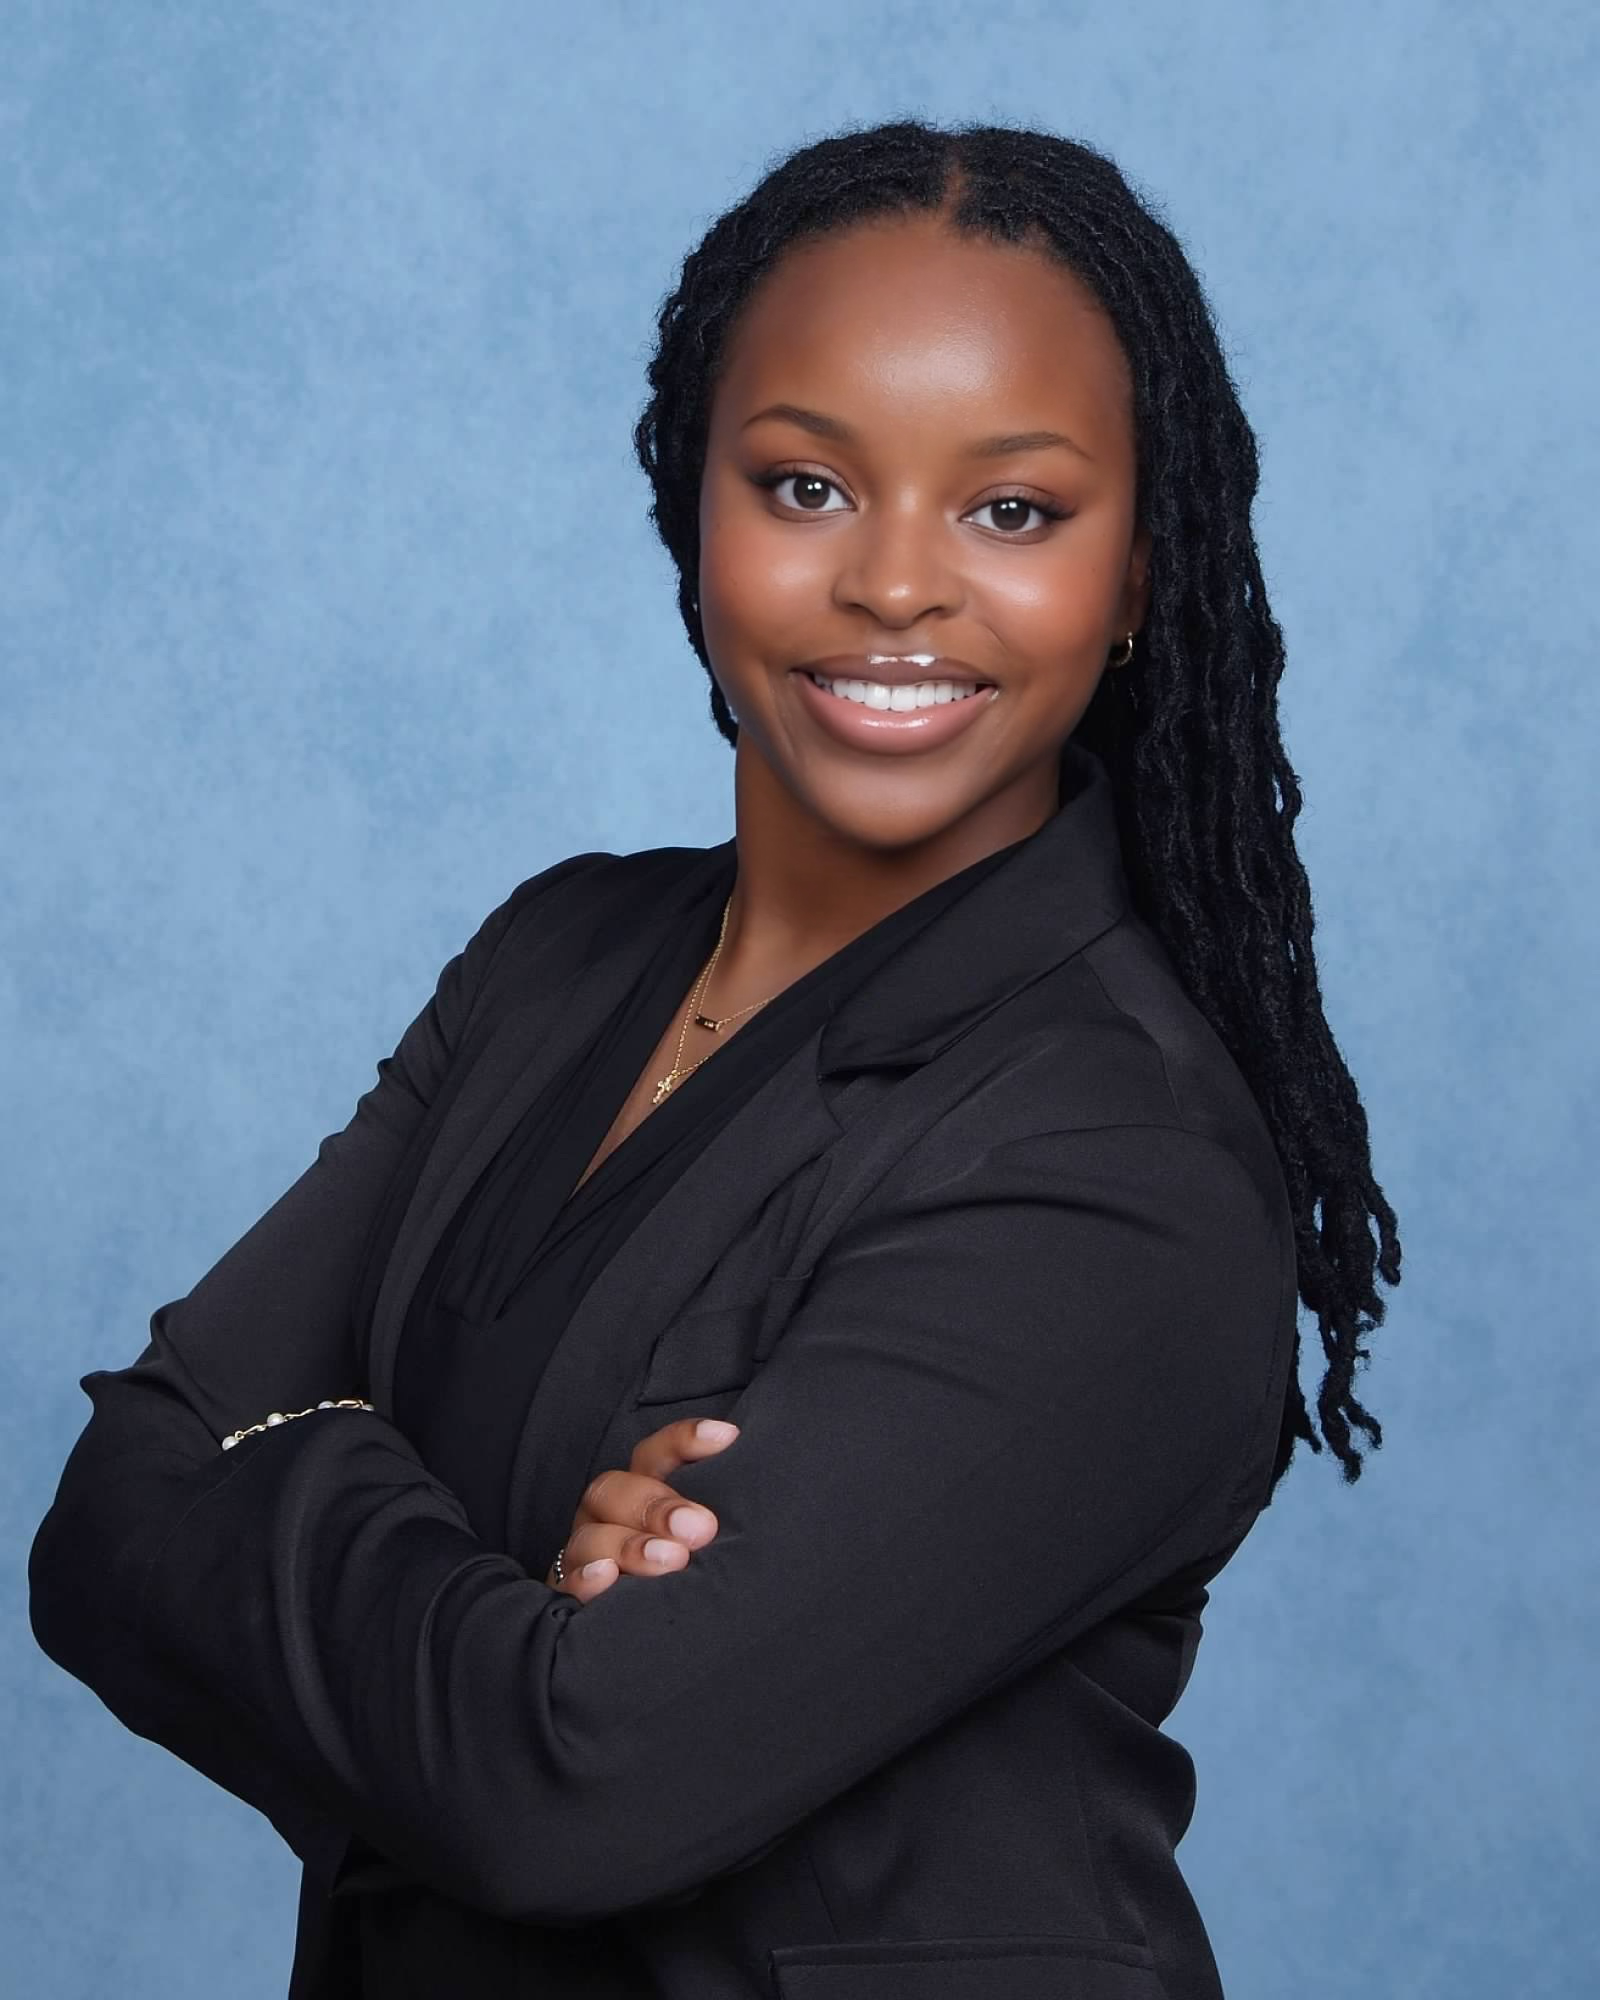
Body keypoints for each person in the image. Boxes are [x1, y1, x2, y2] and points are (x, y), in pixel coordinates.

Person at [28, 118, 1402, 1999]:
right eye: (807, 486)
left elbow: (565, 1786)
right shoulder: (557, 954)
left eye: (1014, 510)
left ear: (1142, 575)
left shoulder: (1118, 1160)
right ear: (695, 512)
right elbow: (106, 1512)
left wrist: (300, 1461)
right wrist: (514, 1594)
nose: (898, 586)